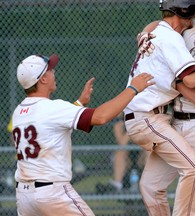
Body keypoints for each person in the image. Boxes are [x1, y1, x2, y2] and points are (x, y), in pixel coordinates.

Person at [124, 0, 195, 215]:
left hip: (144, 118)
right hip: (149, 119)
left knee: (150, 185)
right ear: (185, 11)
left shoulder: (159, 31)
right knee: (194, 169)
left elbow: (153, 25)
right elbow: (192, 80)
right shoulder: (171, 39)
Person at [11, 53, 154, 216]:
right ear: (42, 79)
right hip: (52, 193)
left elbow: (51, 128)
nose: (54, 72)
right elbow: (101, 117)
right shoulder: (52, 108)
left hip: (24, 196)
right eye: (50, 70)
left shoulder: (19, 112)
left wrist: (79, 104)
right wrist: (133, 89)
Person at [96, 113, 149, 193]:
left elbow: (147, 142)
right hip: (127, 159)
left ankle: (150, 183)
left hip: (140, 157)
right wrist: (131, 129)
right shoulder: (119, 124)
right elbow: (122, 144)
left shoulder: (145, 122)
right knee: (120, 152)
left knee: (150, 151)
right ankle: (117, 184)